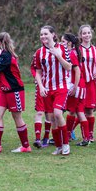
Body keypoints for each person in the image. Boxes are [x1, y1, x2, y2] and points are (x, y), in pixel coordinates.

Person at [34, 26, 72, 155]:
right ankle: (58, 146)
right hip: (47, 88)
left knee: (57, 113)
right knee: (51, 118)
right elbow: (38, 72)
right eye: (41, 34)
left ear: (53, 34)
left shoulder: (62, 48)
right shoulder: (39, 52)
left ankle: (66, 144)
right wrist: (41, 86)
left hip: (61, 87)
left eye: (46, 34)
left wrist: (58, 56)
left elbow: (68, 67)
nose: (43, 36)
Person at [61, 33, 90, 146]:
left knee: (75, 112)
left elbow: (77, 71)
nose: (61, 43)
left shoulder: (71, 54)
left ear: (69, 42)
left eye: (63, 41)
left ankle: (70, 136)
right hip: (80, 86)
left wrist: (75, 86)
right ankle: (83, 138)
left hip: (77, 86)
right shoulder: (72, 52)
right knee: (77, 111)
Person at [78, 25, 96, 142]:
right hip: (81, 83)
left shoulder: (95, 49)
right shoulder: (77, 49)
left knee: (90, 110)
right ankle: (84, 136)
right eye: (84, 33)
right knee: (79, 110)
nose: (87, 35)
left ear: (91, 34)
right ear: (80, 35)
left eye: (88, 33)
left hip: (91, 83)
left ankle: (90, 135)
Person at [30, 54, 50, 148]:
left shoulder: (58, 51)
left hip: (53, 86)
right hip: (40, 87)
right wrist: (38, 79)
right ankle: (37, 139)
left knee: (49, 113)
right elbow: (33, 68)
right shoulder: (38, 53)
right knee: (40, 112)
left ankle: (46, 137)